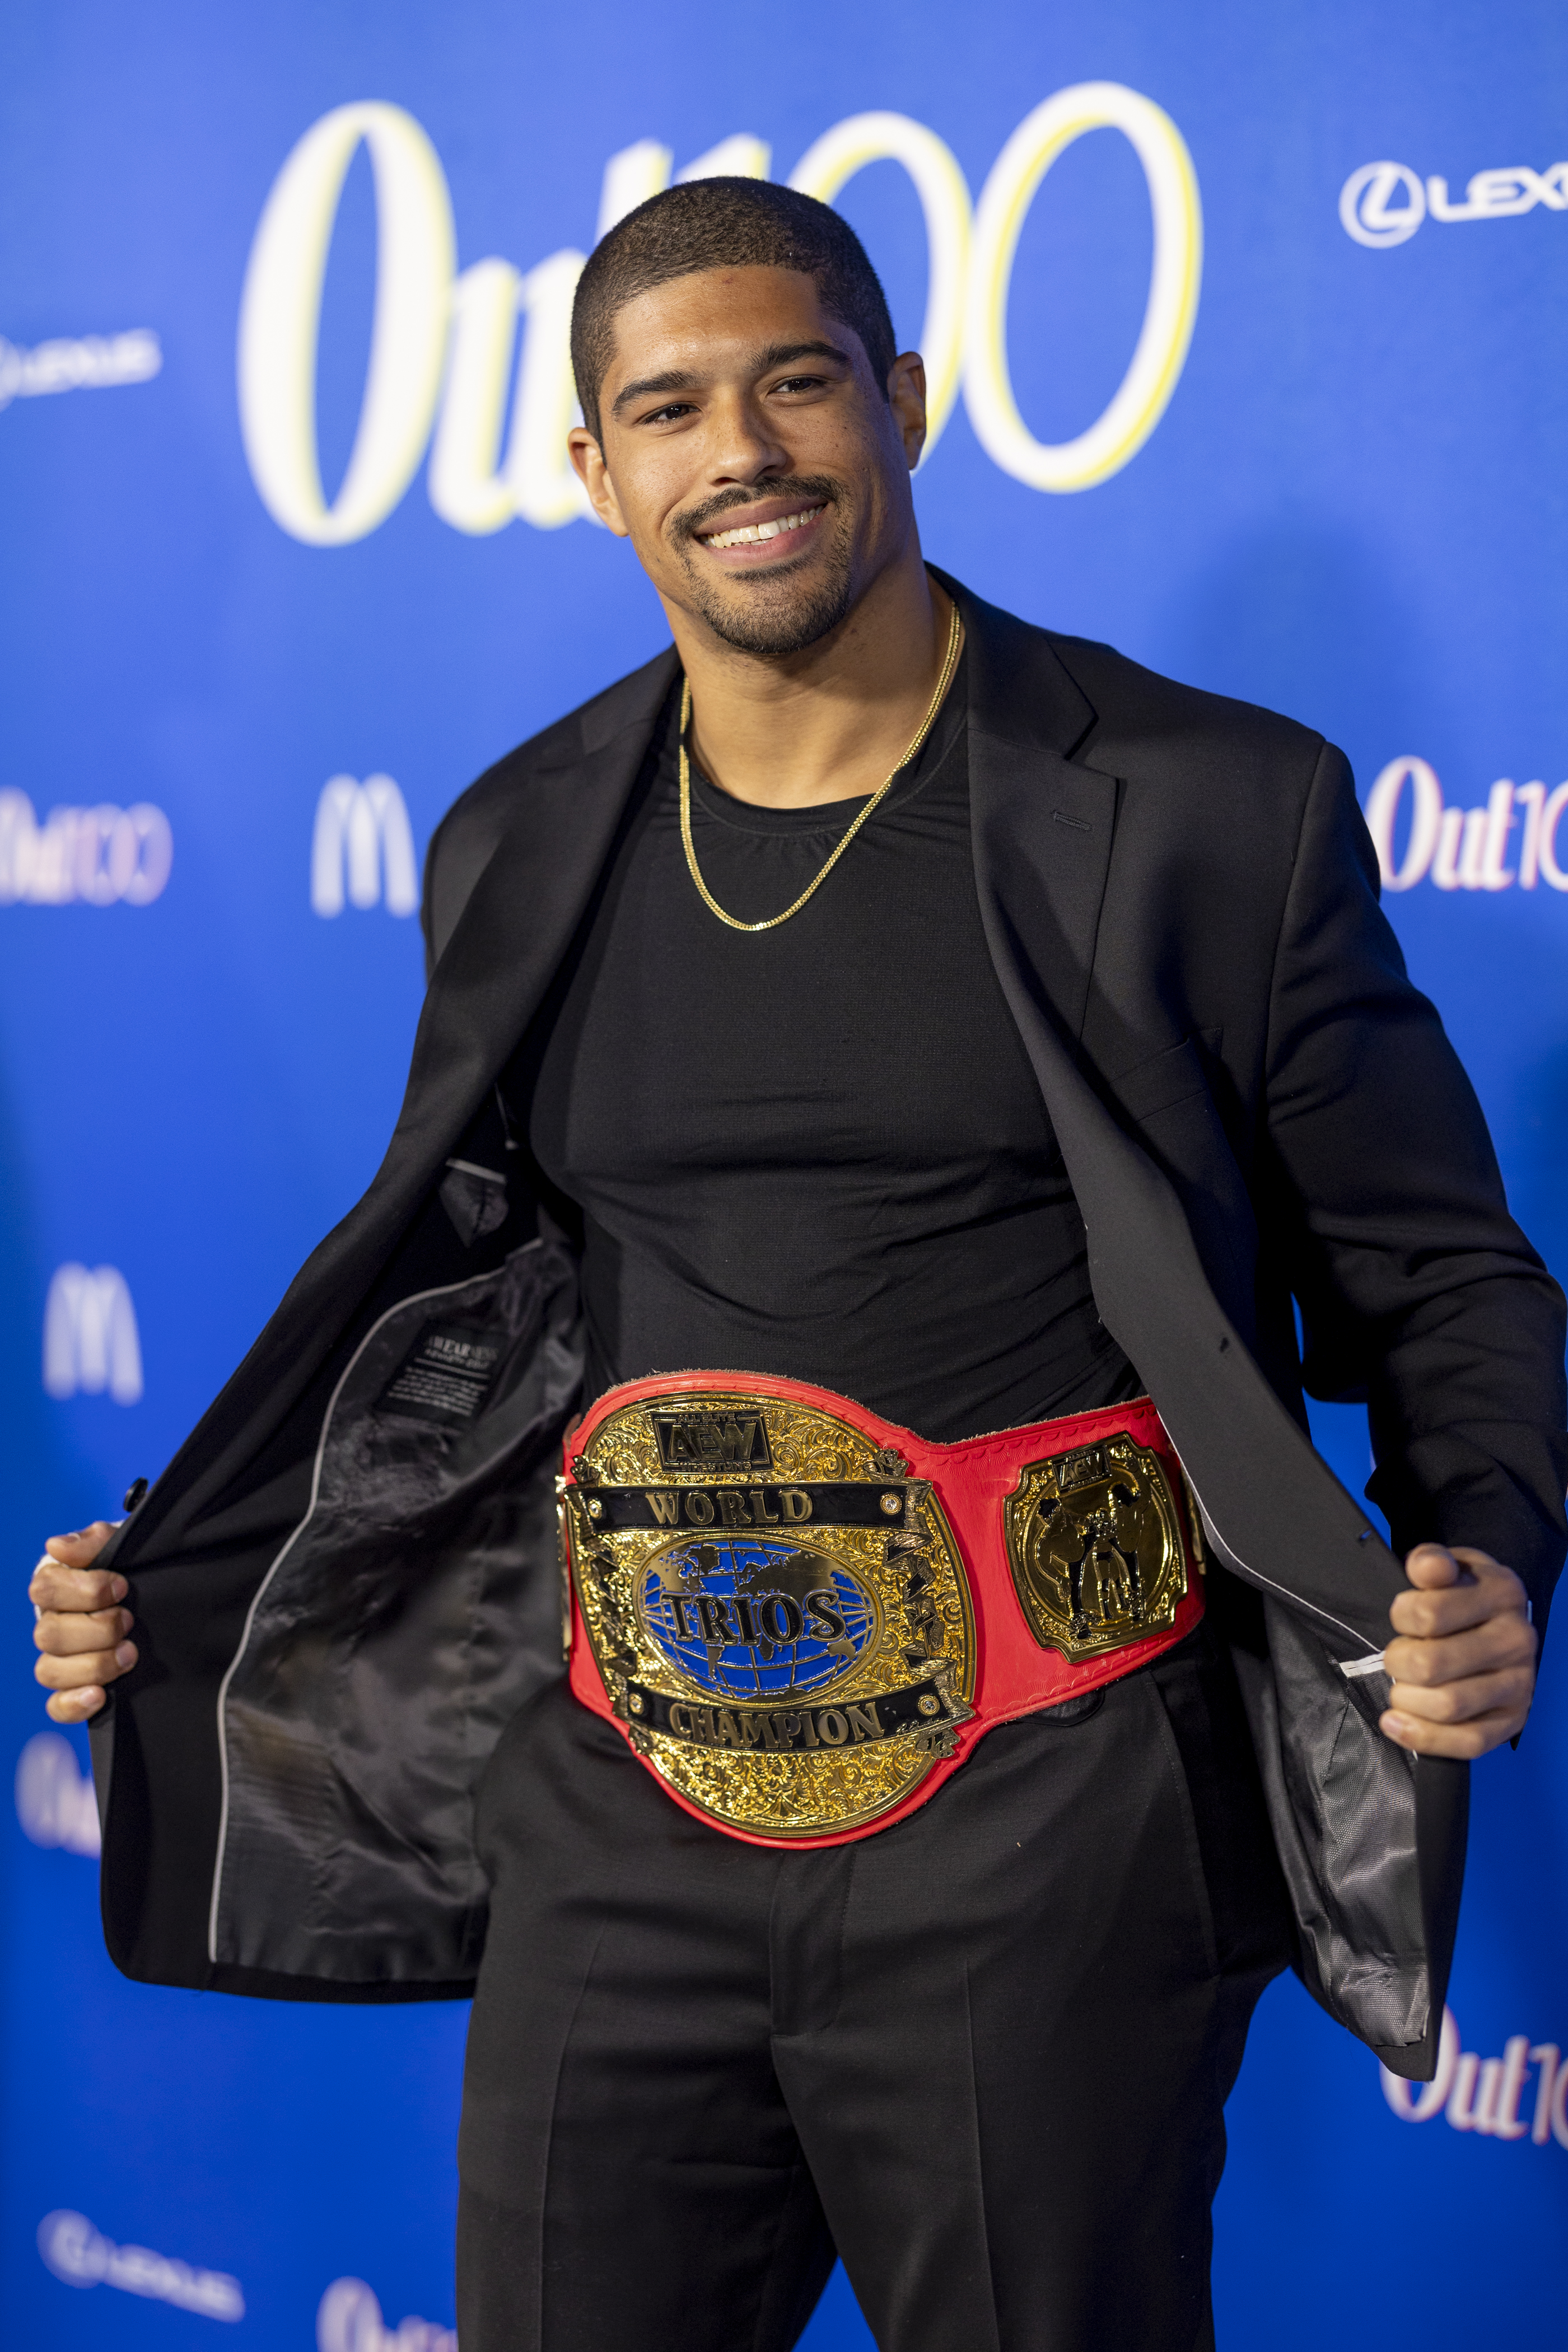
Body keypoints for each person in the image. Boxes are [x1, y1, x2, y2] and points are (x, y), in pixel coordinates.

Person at [30, 180, 1563, 2352]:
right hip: (616, 1823)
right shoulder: (513, 840)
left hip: (1054, 1822)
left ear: (902, 402)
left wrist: (1482, 1542)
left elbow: (1446, 1277)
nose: (735, 449)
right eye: (666, 408)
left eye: (793, 382)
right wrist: (193, 1575)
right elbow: (477, 1320)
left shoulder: (1211, 809)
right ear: (595, 470)